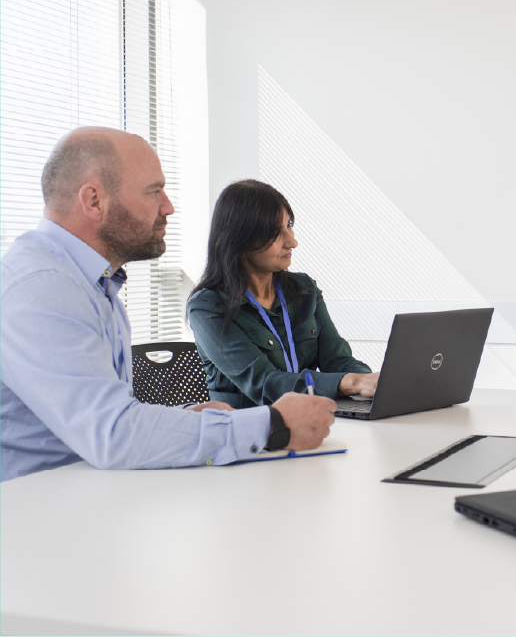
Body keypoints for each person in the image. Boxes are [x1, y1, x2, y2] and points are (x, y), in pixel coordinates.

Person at [0, 127, 336, 482]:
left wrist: (189, 419)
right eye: (154, 191)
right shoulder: (43, 287)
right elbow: (112, 434)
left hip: (84, 493)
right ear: (94, 201)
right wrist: (271, 425)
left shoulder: (96, 284)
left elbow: (100, 415)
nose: (168, 207)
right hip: (35, 513)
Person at [187, 180, 378, 408]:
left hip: (308, 422)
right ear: (240, 239)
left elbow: (337, 359)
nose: (293, 242)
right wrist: (353, 382)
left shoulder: (304, 289)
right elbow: (263, 382)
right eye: (276, 233)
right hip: (248, 433)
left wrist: (373, 382)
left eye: (289, 225)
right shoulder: (208, 307)